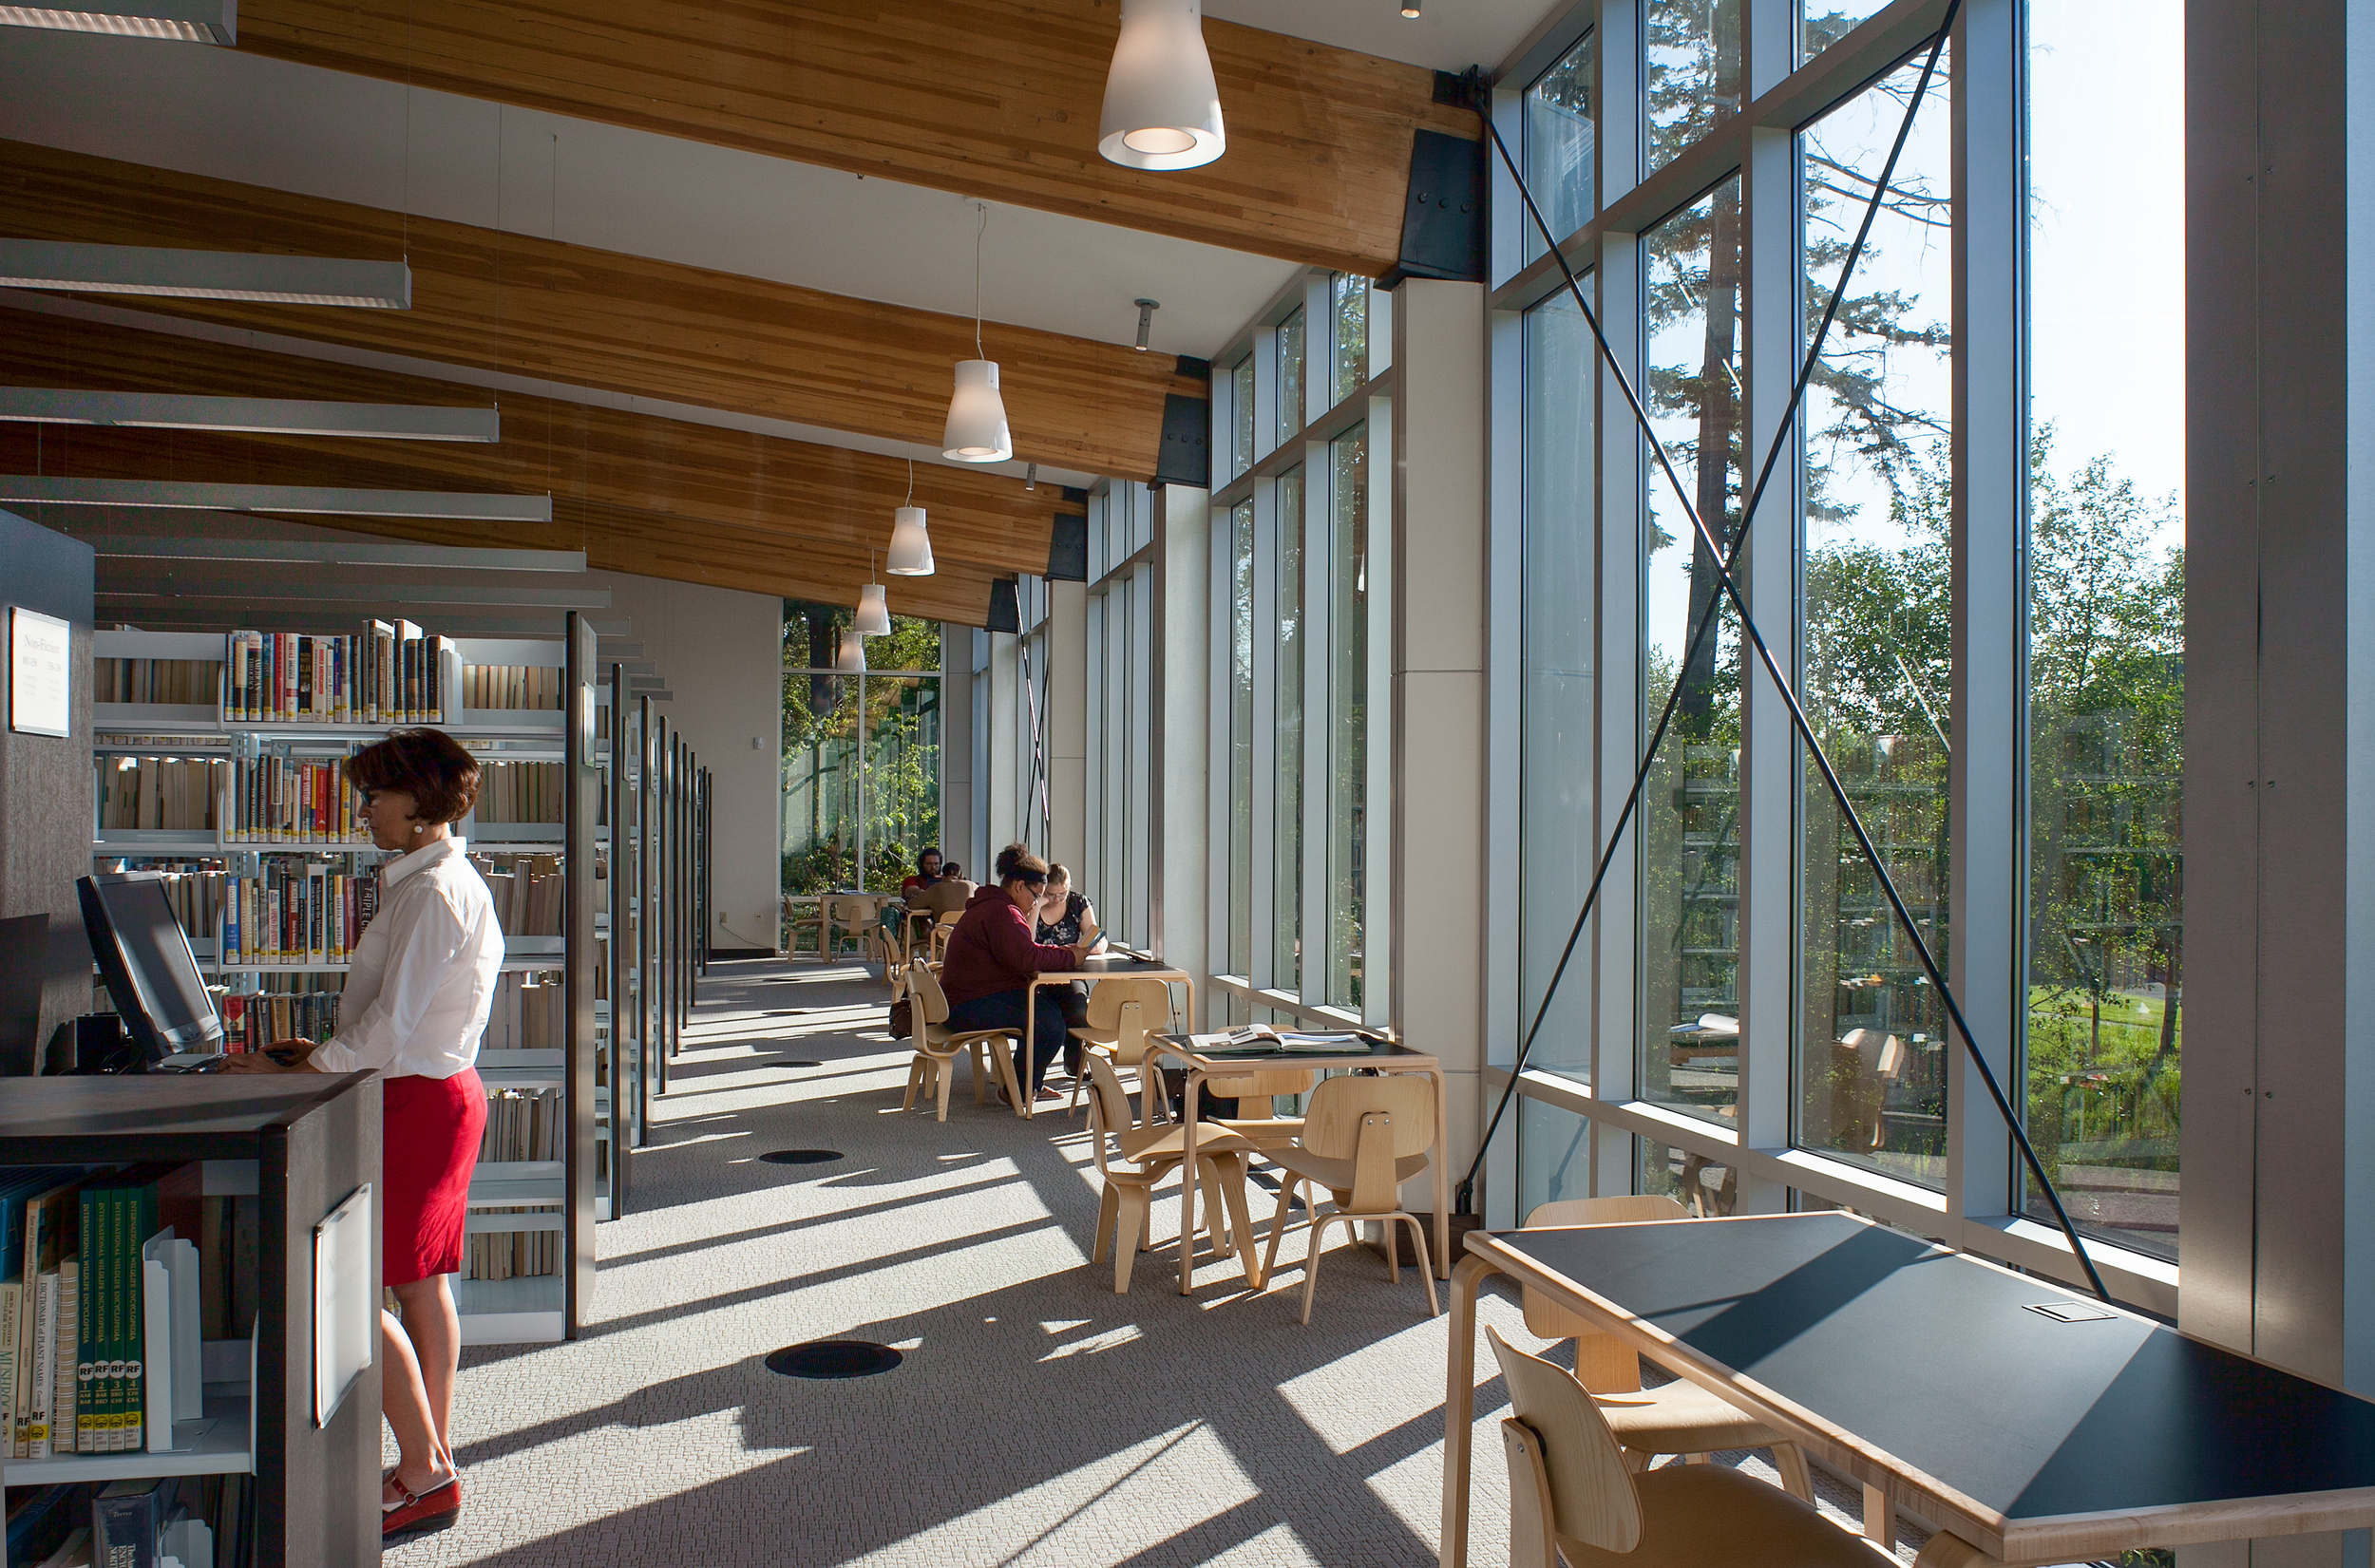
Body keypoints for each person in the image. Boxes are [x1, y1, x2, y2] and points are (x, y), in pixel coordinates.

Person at [222, 727, 504, 1545]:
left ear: (417, 804)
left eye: (376, 795)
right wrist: (313, 1056)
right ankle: (430, 1458)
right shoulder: (439, 880)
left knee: (347, 1281)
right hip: (434, 1095)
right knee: (420, 1284)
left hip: (415, 1101)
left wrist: (303, 1071)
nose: (364, 811)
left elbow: (385, 1033)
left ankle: (426, 1467)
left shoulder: (433, 893)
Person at [938, 843, 1092, 1102]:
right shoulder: (1002, 912)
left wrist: (1061, 952)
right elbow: (1026, 958)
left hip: (969, 996)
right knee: (1049, 1024)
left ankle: (1030, 1084)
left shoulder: (995, 906)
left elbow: (1023, 950)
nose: (1035, 905)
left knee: (1054, 1006)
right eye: (1035, 896)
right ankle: (1017, 1091)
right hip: (967, 1004)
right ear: (1020, 886)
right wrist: (1070, 955)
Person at [1034, 865, 1106, 1077]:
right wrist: (1038, 906)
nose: (1057, 899)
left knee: (1078, 1007)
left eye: (1062, 893)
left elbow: (1095, 936)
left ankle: (1074, 1061)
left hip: (1069, 971)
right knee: (1043, 1016)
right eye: (1052, 894)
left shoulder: (1078, 903)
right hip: (1038, 974)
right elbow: (1026, 942)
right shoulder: (1034, 902)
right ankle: (1034, 1070)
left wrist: (1094, 946)